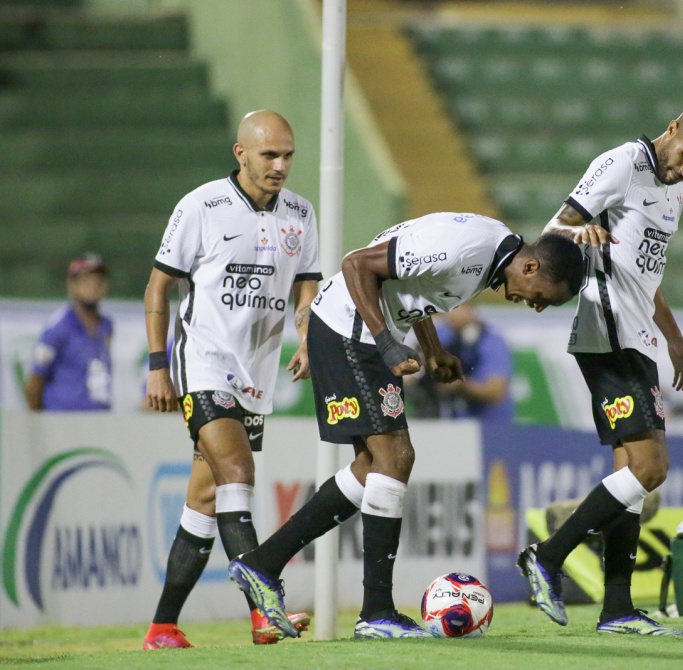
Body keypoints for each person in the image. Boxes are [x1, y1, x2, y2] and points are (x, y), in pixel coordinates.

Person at [227, 212, 584, 639]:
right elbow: (357, 265)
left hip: (357, 332)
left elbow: (414, 291)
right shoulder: (467, 248)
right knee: (396, 457)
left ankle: (262, 564)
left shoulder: (489, 257)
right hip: (350, 332)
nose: (538, 305)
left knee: (372, 467)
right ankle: (376, 613)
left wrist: (432, 350)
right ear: (531, 266)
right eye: (544, 295)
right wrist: (386, 343)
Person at [517, 105, 683, 636]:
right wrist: (582, 231)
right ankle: (547, 555)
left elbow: (646, 274)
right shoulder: (622, 163)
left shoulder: (672, 191)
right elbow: (552, 233)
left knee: (630, 479)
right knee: (651, 469)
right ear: (672, 129)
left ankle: (616, 608)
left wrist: (675, 339)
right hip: (606, 330)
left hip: (638, 335)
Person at [141, 110, 321, 649]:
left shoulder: (301, 214)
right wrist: (157, 366)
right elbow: (158, 289)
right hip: (203, 362)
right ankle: (265, 610)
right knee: (237, 475)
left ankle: (162, 627)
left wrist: (308, 336)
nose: (281, 165)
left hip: (256, 372)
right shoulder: (201, 206)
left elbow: (307, 288)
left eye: (288, 155)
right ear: (240, 153)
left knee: (203, 501)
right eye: (270, 155)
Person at [25, 253, 113, 411]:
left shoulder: (106, 326)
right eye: (86, 281)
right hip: (63, 421)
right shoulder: (59, 328)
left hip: (98, 421)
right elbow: (35, 382)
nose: (93, 287)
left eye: (98, 281)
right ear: (72, 285)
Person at [414, 303, 514, 422]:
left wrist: (460, 384)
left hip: (488, 427)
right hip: (447, 424)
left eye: (455, 307)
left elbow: (496, 392)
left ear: (470, 309)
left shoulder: (492, 342)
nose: (449, 314)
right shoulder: (443, 335)